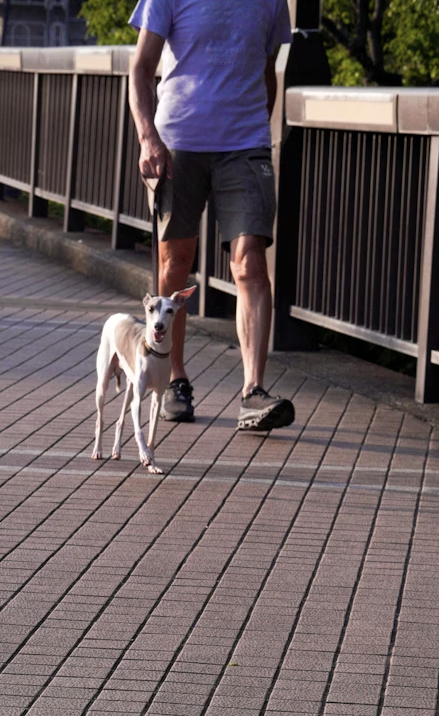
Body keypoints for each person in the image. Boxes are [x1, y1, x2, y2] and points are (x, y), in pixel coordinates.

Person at [128, 0, 295, 432]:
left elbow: (267, 70)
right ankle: (173, 379)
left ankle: (253, 391)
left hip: (246, 144)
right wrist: (148, 139)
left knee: (251, 261)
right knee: (175, 264)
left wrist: (256, 129)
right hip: (178, 141)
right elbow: (141, 70)